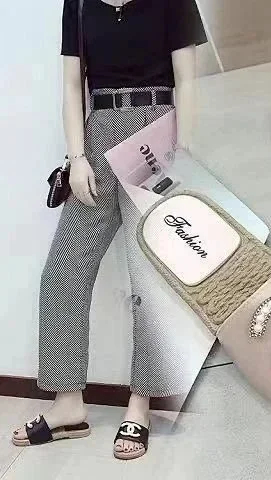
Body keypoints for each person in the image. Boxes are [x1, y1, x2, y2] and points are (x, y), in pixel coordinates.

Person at [12, 0, 207, 460]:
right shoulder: (78, 4)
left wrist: (183, 153)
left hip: (157, 132)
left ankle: (141, 405)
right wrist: (77, 157)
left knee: (150, 277)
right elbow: (71, 83)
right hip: (98, 135)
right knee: (63, 272)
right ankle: (67, 403)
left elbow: (188, 80)